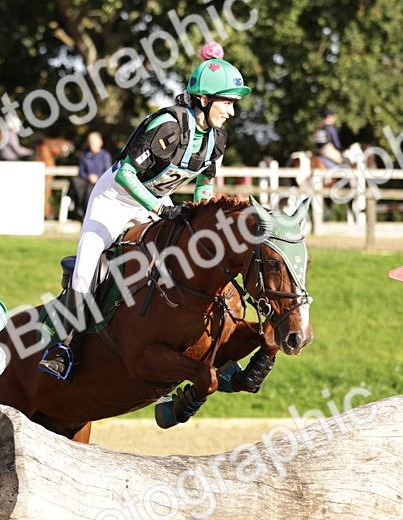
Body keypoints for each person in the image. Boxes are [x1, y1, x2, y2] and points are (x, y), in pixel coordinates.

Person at [37, 42, 250, 379]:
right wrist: (161, 211)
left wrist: (197, 211)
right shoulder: (169, 126)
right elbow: (125, 173)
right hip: (115, 198)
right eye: (227, 102)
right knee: (88, 265)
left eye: (233, 104)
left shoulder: (217, 138)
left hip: (156, 201)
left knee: (187, 255)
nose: (231, 111)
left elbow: (205, 181)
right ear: (205, 100)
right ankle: (63, 346)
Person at [69, 131, 112, 221]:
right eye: (90, 142)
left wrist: (98, 178)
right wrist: (89, 177)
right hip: (86, 183)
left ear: (100, 143)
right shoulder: (84, 155)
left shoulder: (105, 156)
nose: (91, 144)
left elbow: (108, 171)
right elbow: (81, 171)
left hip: (101, 182)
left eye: (94, 142)